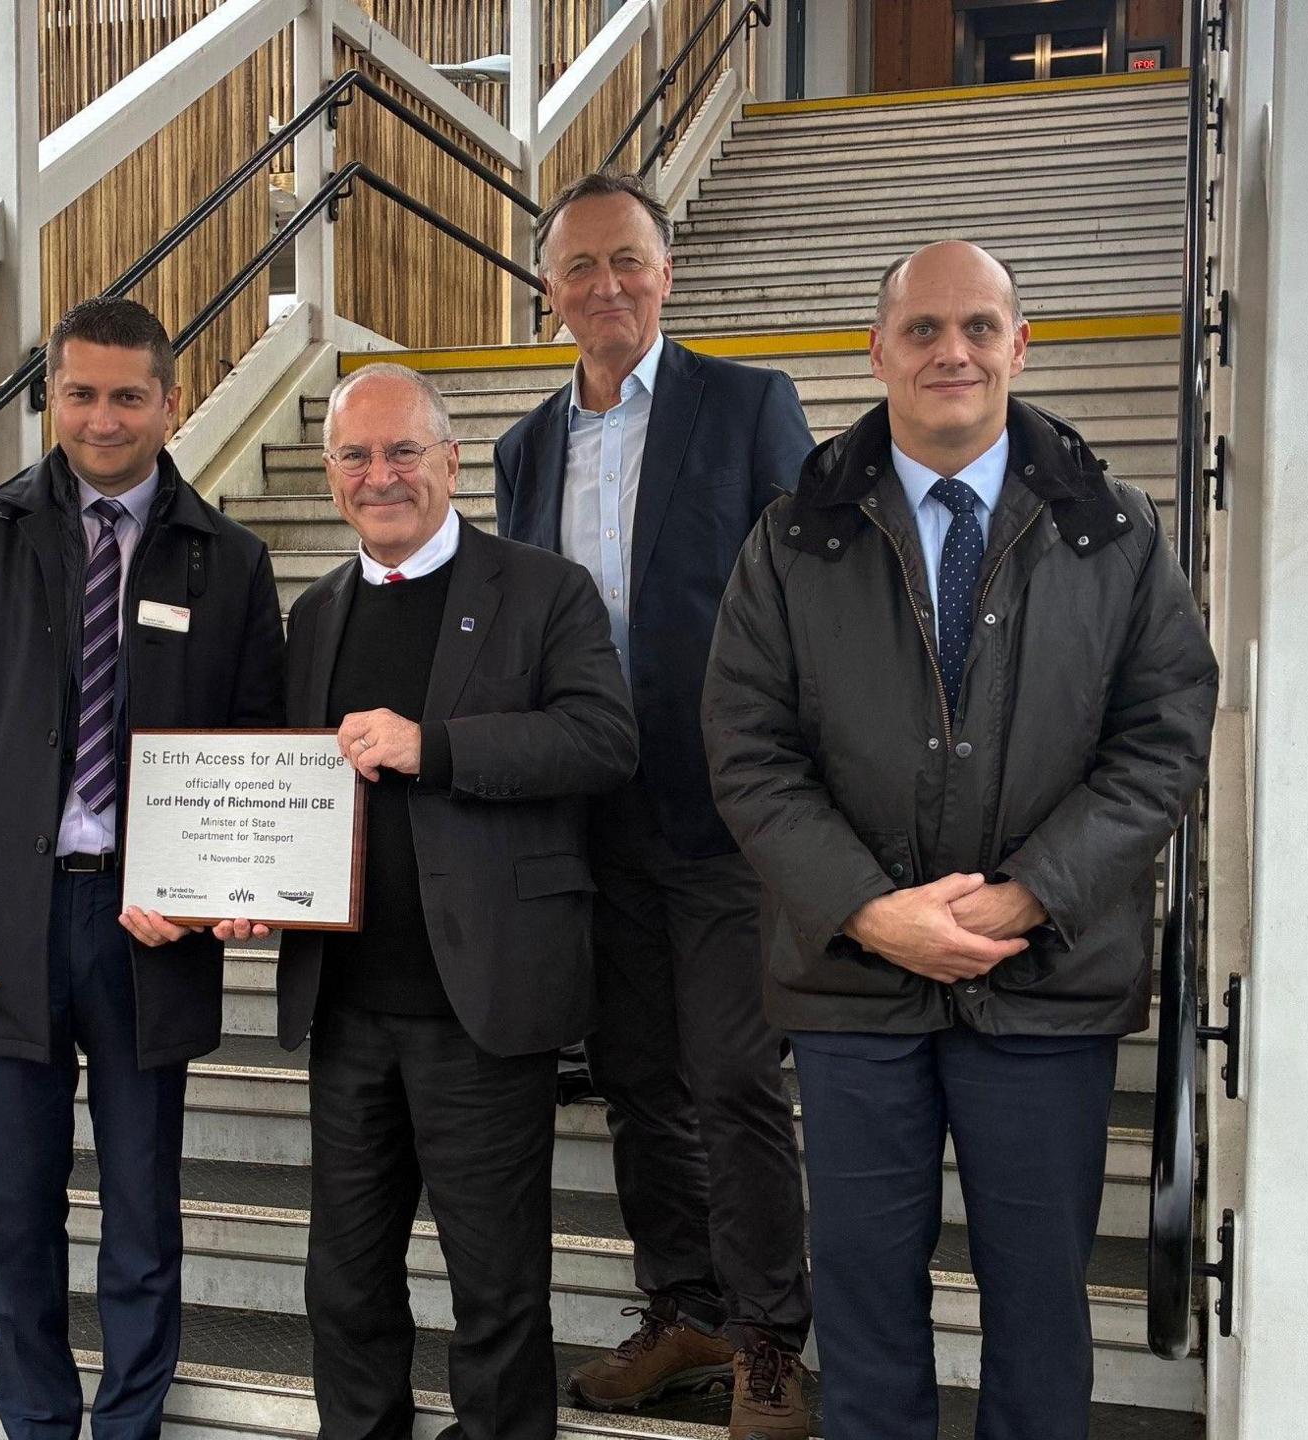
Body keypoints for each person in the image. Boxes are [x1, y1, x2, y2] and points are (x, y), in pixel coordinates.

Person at [703, 240, 1217, 1440]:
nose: (952, 352)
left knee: (1039, 1309)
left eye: (978, 327)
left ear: (1019, 346)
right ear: (874, 350)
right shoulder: (792, 538)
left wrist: (1033, 894)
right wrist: (872, 911)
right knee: (868, 1309)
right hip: (850, 986)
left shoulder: (1116, 531)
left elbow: (1163, 740)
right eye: (923, 330)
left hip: (1043, 985)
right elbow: (746, 749)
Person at [161, 362, 635, 1440]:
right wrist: (246, 889)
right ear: (329, 477)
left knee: (496, 1283)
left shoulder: (542, 588)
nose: (380, 476)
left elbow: (607, 741)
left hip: (483, 1005)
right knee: (345, 1279)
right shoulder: (316, 612)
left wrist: (441, 749)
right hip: (349, 1008)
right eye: (356, 457)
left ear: (451, 461)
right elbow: (294, 796)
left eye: (402, 451)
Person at [0, 297, 287, 1440]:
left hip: (148, 929)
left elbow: (253, 751)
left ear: (170, 399)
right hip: (4, 927)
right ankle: (38, 1424)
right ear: (51, 396)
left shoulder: (233, 562)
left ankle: (131, 1423)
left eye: (128, 395)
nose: (103, 418)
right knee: (15, 1211)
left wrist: (213, 889)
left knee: (144, 1208)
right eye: (80, 392)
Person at [493, 168, 818, 1438]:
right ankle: (680, 1308)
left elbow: (812, 595)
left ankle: (767, 1343)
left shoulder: (746, 408)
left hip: (728, 812)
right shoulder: (526, 448)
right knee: (636, 1078)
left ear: (666, 273)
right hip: (591, 817)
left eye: (626, 260)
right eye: (578, 266)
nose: (604, 286)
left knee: (733, 1075)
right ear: (547, 290)